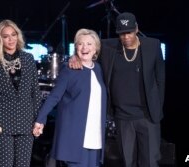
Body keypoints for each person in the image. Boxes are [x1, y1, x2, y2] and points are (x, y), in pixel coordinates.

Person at [69, 12, 165, 167]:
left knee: (150, 162)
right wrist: (75, 57)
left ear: (136, 29)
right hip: (122, 118)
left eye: (129, 32)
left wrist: (157, 106)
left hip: (147, 117)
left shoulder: (152, 46)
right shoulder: (108, 47)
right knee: (128, 162)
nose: (126, 37)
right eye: (121, 33)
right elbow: (87, 49)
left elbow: (160, 79)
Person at [33, 28, 107, 167]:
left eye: (89, 44)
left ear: (96, 48)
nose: (84, 47)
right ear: (76, 47)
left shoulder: (98, 69)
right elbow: (54, 96)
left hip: (95, 136)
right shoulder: (69, 69)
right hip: (75, 136)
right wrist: (40, 119)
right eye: (80, 44)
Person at [0, 19, 42, 167]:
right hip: (2, 124)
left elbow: (36, 92)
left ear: (18, 35)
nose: (11, 39)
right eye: (6, 36)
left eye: (13, 34)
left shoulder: (28, 58)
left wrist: (38, 120)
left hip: (26, 123)